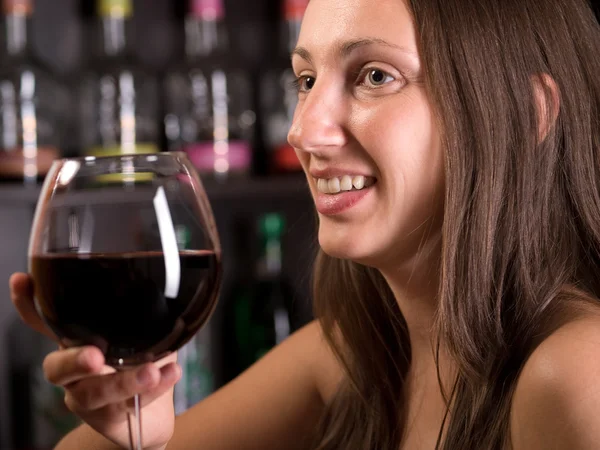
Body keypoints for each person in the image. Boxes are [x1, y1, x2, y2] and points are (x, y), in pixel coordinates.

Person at [10, 0, 600, 448]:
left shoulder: (576, 374)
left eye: (375, 76)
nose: (303, 130)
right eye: (307, 80)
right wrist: (136, 424)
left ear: (526, 115)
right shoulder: (358, 351)